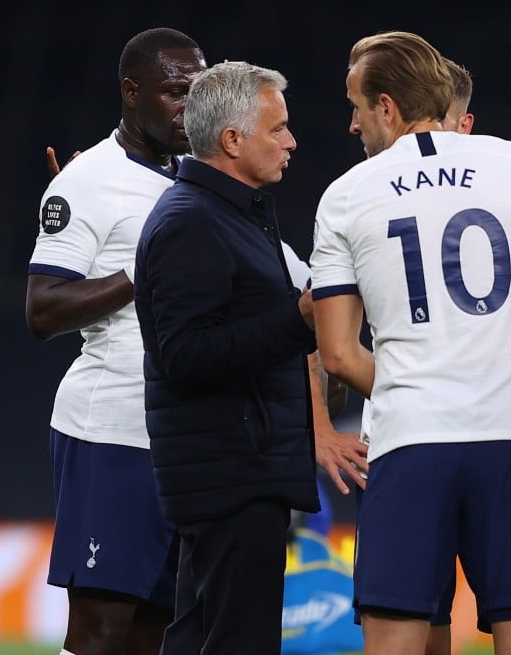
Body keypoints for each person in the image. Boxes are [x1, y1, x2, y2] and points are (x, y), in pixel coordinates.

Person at [310, 30, 511, 655]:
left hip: (410, 442)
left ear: (389, 107)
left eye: (357, 106)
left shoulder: (346, 195)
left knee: (401, 641)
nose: (353, 124)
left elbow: (338, 353)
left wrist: (419, 381)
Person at [133, 60, 325, 654]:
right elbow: (185, 354)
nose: (292, 141)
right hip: (230, 470)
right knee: (238, 639)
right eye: (278, 129)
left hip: (236, 467)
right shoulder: (191, 221)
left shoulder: (228, 215)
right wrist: (299, 319)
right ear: (232, 139)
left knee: (199, 636)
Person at [24, 27, 205, 655]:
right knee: (102, 629)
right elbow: (42, 310)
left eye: (199, 91)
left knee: (157, 627)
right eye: (175, 92)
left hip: (181, 436)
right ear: (132, 93)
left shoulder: (196, 177)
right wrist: (138, 272)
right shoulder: (88, 181)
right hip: (113, 433)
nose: (191, 106)